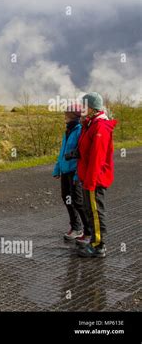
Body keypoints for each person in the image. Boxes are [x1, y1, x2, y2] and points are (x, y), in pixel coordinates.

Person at [76, 92, 117, 258]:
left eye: (84, 106)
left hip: (95, 178)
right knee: (90, 209)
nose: (81, 109)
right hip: (89, 177)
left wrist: (90, 181)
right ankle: (94, 240)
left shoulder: (100, 127)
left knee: (95, 211)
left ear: (92, 108)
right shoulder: (91, 123)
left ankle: (98, 246)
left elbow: (97, 158)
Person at [52, 104, 90, 241]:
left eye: (66, 114)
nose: (64, 117)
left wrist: (77, 175)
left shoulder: (80, 131)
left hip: (74, 171)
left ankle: (88, 230)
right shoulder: (67, 131)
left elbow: (81, 155)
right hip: (65, 171)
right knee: (66, 198)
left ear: (73, 116)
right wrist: (57, 168)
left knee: (78, 201)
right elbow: (62, 152)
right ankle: (76, 227)